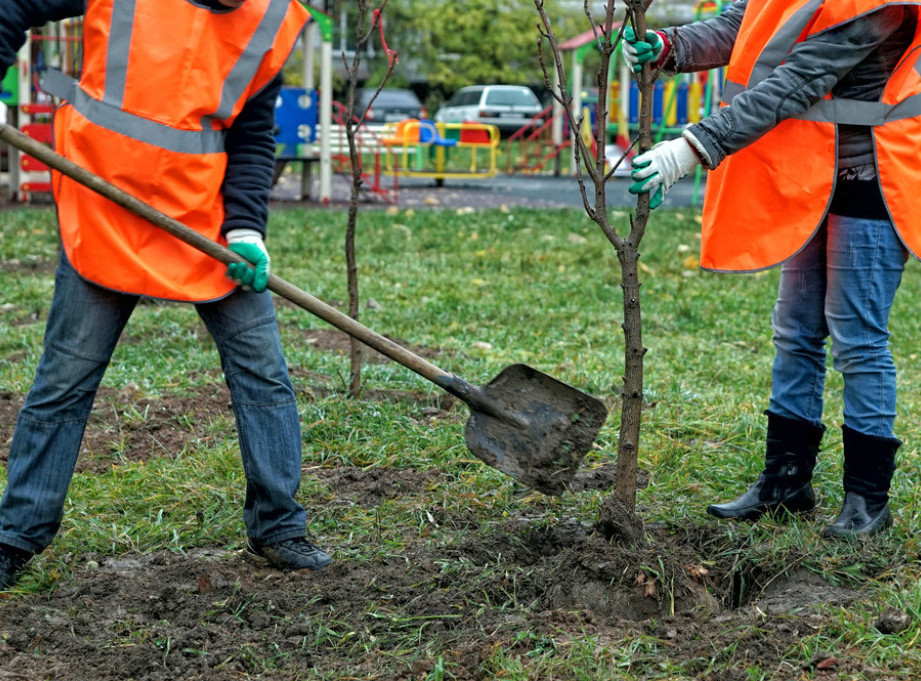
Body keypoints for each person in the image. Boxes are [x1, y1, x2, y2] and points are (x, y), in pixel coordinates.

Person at [0, 0, 332, 591]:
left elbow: (252, 135)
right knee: (65, 379)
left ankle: (278, 526)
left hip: (203, 222)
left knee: (264, 373)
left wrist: (247, 230)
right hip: (103, 203)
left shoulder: (270, 17)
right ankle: (15, 535)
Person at [624, 0, 920, 538]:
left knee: (857, 338)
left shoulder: (878, 5)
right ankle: (785, 482)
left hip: (876, 176)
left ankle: (867, 500)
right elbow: (744, 22)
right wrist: (673, 47)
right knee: (795, 331)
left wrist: (695, 146)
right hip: (808, 174)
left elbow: (801, 78)